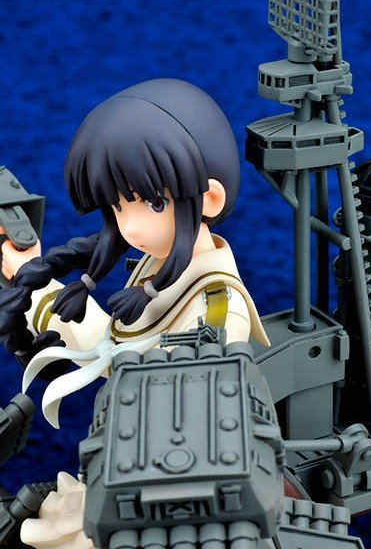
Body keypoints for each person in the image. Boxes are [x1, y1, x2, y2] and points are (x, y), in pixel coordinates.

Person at [0, 78, 269, 549]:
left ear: (208, 199)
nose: (131, 226)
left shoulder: (217, 310)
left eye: (153, 203)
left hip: (163, 483)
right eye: (119, 206)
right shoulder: (157, 266)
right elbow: (113, 344)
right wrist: (31, 273)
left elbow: (184, 418)